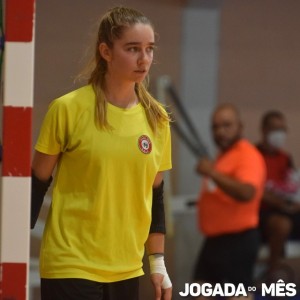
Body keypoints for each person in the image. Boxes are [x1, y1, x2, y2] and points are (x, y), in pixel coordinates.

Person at [31, 6, 172, 300]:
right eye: (133, 49)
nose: (144, 59)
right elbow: (35, 183)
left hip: (127, 268)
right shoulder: (67, 109)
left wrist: (157, 262)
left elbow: (155, 194)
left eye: (149, 49)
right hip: (70, 263)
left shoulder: (157, 119)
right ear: (106, 52)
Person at [193, 103, 266, 300]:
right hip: (214, 241)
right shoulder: (223, 156)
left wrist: (211, 172)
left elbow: (246, 193)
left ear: (240, 127)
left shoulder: (247, 155)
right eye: (215, 127)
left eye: (227, 125)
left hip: (238, 241)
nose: (220, 132)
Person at [256, 110, 300, 278]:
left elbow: (293, 185)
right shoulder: (253, 155)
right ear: (264, 130)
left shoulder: (285, 158)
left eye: (282, 129)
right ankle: (272, 273)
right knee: (282, 224)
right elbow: (255, 190)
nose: (279, 134)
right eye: (275, 129)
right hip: (262, 212)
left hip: (287, 208)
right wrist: (280, 203)